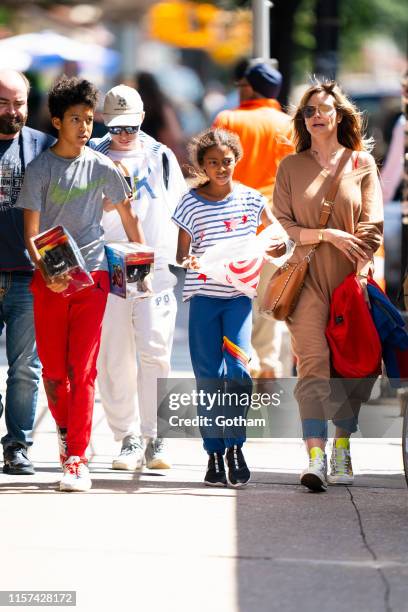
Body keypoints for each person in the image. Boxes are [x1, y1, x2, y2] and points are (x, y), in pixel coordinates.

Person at [16, 76, 145, 492]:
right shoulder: (39, 170)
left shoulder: (104, 166)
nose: (85, 127)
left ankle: (76, 458)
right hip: (50, 280)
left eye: (90, 119)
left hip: (94, 279)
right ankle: (68, 434)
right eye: (76, 119)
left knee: (83, 370)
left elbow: (128, 216)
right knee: (55, 372)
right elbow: (31, 234)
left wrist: (140, 264)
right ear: (56, 122)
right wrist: (47, 271)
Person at [273, 80, 383, 492]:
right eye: (309, 111)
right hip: (305, 279)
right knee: (314, 365)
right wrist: (326, 235)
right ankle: (315, 456)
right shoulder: (290, 166)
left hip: (350, 279)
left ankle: (342, 444)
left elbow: (373, 224)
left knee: (353, 368)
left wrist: (358, 258)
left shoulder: (361, 163)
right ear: (303, 120)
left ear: (339, 115)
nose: (317, 115)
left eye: (324, 109)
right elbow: (283, 224)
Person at [172, 128, 287, 488]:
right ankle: (213, 454)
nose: (222, 168)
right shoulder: (190, 203)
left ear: (236, 160)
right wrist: (191, 260)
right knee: (208, 376)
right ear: (201, 166)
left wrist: (277, 248)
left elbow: (276, 239)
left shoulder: (252, 200)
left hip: (238, 298)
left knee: (237, 371)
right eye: (213, 163)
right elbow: (181, 253)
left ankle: (235, 446)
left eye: (227, 161)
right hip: (204, 298)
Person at [89, 84, 186, 471]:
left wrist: (185, 257)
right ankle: (126, 436)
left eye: (130, 126)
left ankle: (156, 436)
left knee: (156, 352)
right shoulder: (91, 155)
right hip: (106, 265)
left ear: (143, 119)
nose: (124, 135)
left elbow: (181, 209)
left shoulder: (161, 157)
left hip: (154, 266)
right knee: (114, 357)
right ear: (104, 121)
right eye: (116, 127)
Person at [213, 58, 294, 382]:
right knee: (269, 302)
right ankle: (268, 367)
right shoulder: (288, 123)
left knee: (235, 300)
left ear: (249, 87)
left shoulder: (228, 118)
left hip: (235, 224)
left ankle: (240, 368)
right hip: (276, 224)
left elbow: (213, 169)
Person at [0, 69, 54, 476]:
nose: (12, 110)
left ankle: (18, 445)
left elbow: (61, 211)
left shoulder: (44, 147)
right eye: (3, 102)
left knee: (25, 369)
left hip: (27, 276)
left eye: (18, 102)